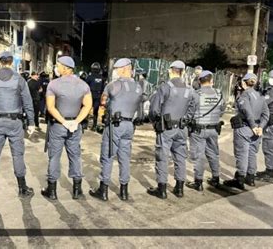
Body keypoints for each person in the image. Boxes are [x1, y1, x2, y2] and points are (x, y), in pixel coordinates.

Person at [0, 51, 35, 198]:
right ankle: (22, 188)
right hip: (15, 122)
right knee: (17, 155)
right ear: (12, 62)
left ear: (0, 62)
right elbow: (28, 102)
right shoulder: (19, 79)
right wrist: (31, 122)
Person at [89, 58, 142, 201]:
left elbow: (103, 101)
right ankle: (124, 190)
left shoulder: (113, 85)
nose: (117, 72)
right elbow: (139, 106)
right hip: (129, 125)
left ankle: (103, 190)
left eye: (118, 69)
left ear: (123, 69)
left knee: (107, 156)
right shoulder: (138, 87)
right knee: (124, 157)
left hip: (114, 125)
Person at [41, 56, 92, 200]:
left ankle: (52, 191)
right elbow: (87, 105)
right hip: (75, 127)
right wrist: (76, 121)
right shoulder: (83, 85)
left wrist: (63, 121)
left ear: (65, 68)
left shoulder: (53, 85)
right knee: (75, 156)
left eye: (58, 65)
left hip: (58, 125)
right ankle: (77, 190)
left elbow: (50, 107)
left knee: (54, 157)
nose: (56, 68)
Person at [147, 60, 197, 199]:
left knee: (162, 156)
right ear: (183, 72)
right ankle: (179, 188)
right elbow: (193, 107)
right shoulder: (189, 89)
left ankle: (161, 189)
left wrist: (155, 122)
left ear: (170, 70)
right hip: (182, 128)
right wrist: (185, 118)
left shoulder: (165, 87)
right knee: (180, 157)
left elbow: (154, 109)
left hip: (166, 128)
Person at [223, 73, 269, 189]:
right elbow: (266, 114)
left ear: (244, 83)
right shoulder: (260, 97)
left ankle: (240, 179)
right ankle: (251, 177)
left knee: (242, 154)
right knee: (252, 153)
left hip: (245, 128)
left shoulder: (244, 96)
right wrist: (260, 127)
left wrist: (253, 125)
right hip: (257, 129)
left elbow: (247, 111)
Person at [186, 71, 226, 191]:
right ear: (212, 80)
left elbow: (190, 112)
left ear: (199, 81)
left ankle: (198, 182)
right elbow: (222, 110)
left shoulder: (196, 94)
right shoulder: (219, 94)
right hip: (213, 128)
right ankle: (216, 178)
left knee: (199, 156)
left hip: (198, 130)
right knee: (213, 154)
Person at [86, 62, 105, 130]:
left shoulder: (90, 77)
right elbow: (103, 88)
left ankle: (85, 124)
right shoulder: (101, 78)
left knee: (86, 109)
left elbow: (86, 86)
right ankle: (94, 125)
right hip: (97, 96)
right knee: (95, 111)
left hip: (90, 95)